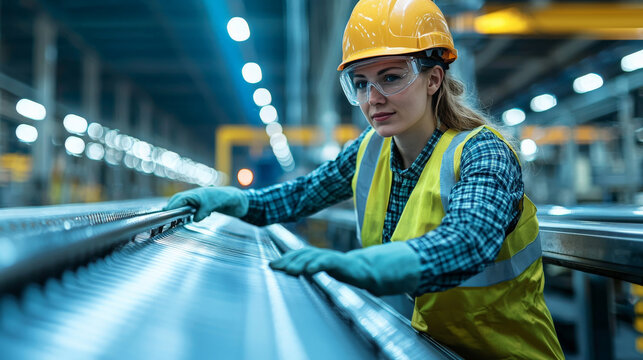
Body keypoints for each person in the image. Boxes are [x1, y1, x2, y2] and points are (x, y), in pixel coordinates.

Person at [166, 0, 564, 358]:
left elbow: (469, 240)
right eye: (360, 83)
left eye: (390, 77)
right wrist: (236, 201)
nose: (373, 98)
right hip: (430, 346)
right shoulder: (370, 150)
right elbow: (302, 195)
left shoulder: (482, 152)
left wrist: (364, 265)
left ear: (433, 79)